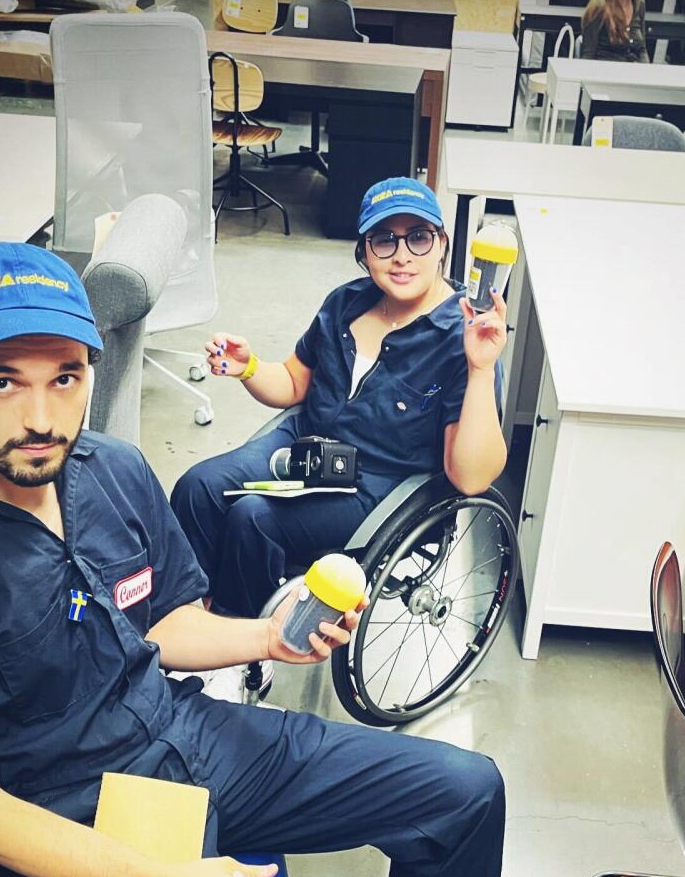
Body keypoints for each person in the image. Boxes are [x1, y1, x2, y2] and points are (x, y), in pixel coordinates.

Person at [0, 242, 506, 877]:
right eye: (1, 379)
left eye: (65, 377)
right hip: (75, 819)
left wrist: (266, 636)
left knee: (464, 791)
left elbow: (161, 623)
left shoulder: (112, 471)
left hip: (190, 735)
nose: (42, 418)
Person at [169, 176, 508, 629]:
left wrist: (481, 367)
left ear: (442, 246)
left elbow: (470, 477)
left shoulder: (461, 336)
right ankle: (196, 618)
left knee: (253, 518)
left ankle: (243, 644)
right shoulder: (346, 303)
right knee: (198, 487)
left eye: (419, 238)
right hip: (304, 446)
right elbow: (293, 383)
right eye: (384, 240)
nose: (402, 255)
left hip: (376, 485)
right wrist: (248, 367)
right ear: (364, 252)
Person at [579, 0, 650, 63]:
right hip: (605, 70)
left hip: (633, 70)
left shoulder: (639, 3)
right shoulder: (597, 8)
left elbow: (642, 49)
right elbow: (588, 54)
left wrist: (647, 71)